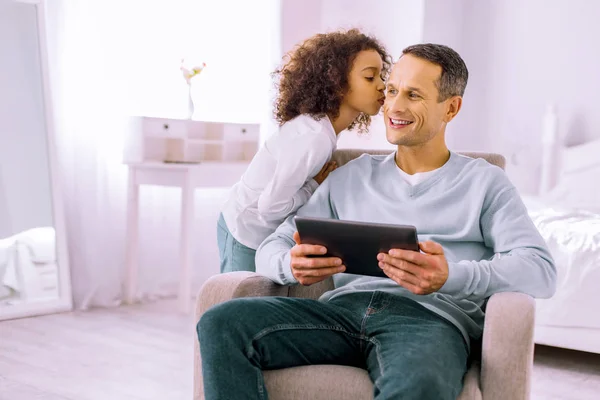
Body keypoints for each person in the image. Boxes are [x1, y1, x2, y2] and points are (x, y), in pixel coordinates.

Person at [199, 43, 557, 400]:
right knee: (222, 323)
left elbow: (540, 269)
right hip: (339, 314)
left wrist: (451, 276)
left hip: (428, 320)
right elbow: (273, 245)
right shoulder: (350, 175)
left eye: (413, 94)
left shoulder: (485, 182)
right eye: (391, 90)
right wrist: (288, 264)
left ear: (451, 107)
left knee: (418, 385)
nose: (395, 106)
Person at [217, 29, 391, 273]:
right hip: (245, 230)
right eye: (371, 77)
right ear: (337, 83)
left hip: (257, 231)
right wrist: (313, 186)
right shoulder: (314, 137)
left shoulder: (322, 129)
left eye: (382, 75)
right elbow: (269, 208)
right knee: (235, 301)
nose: (383, 85)